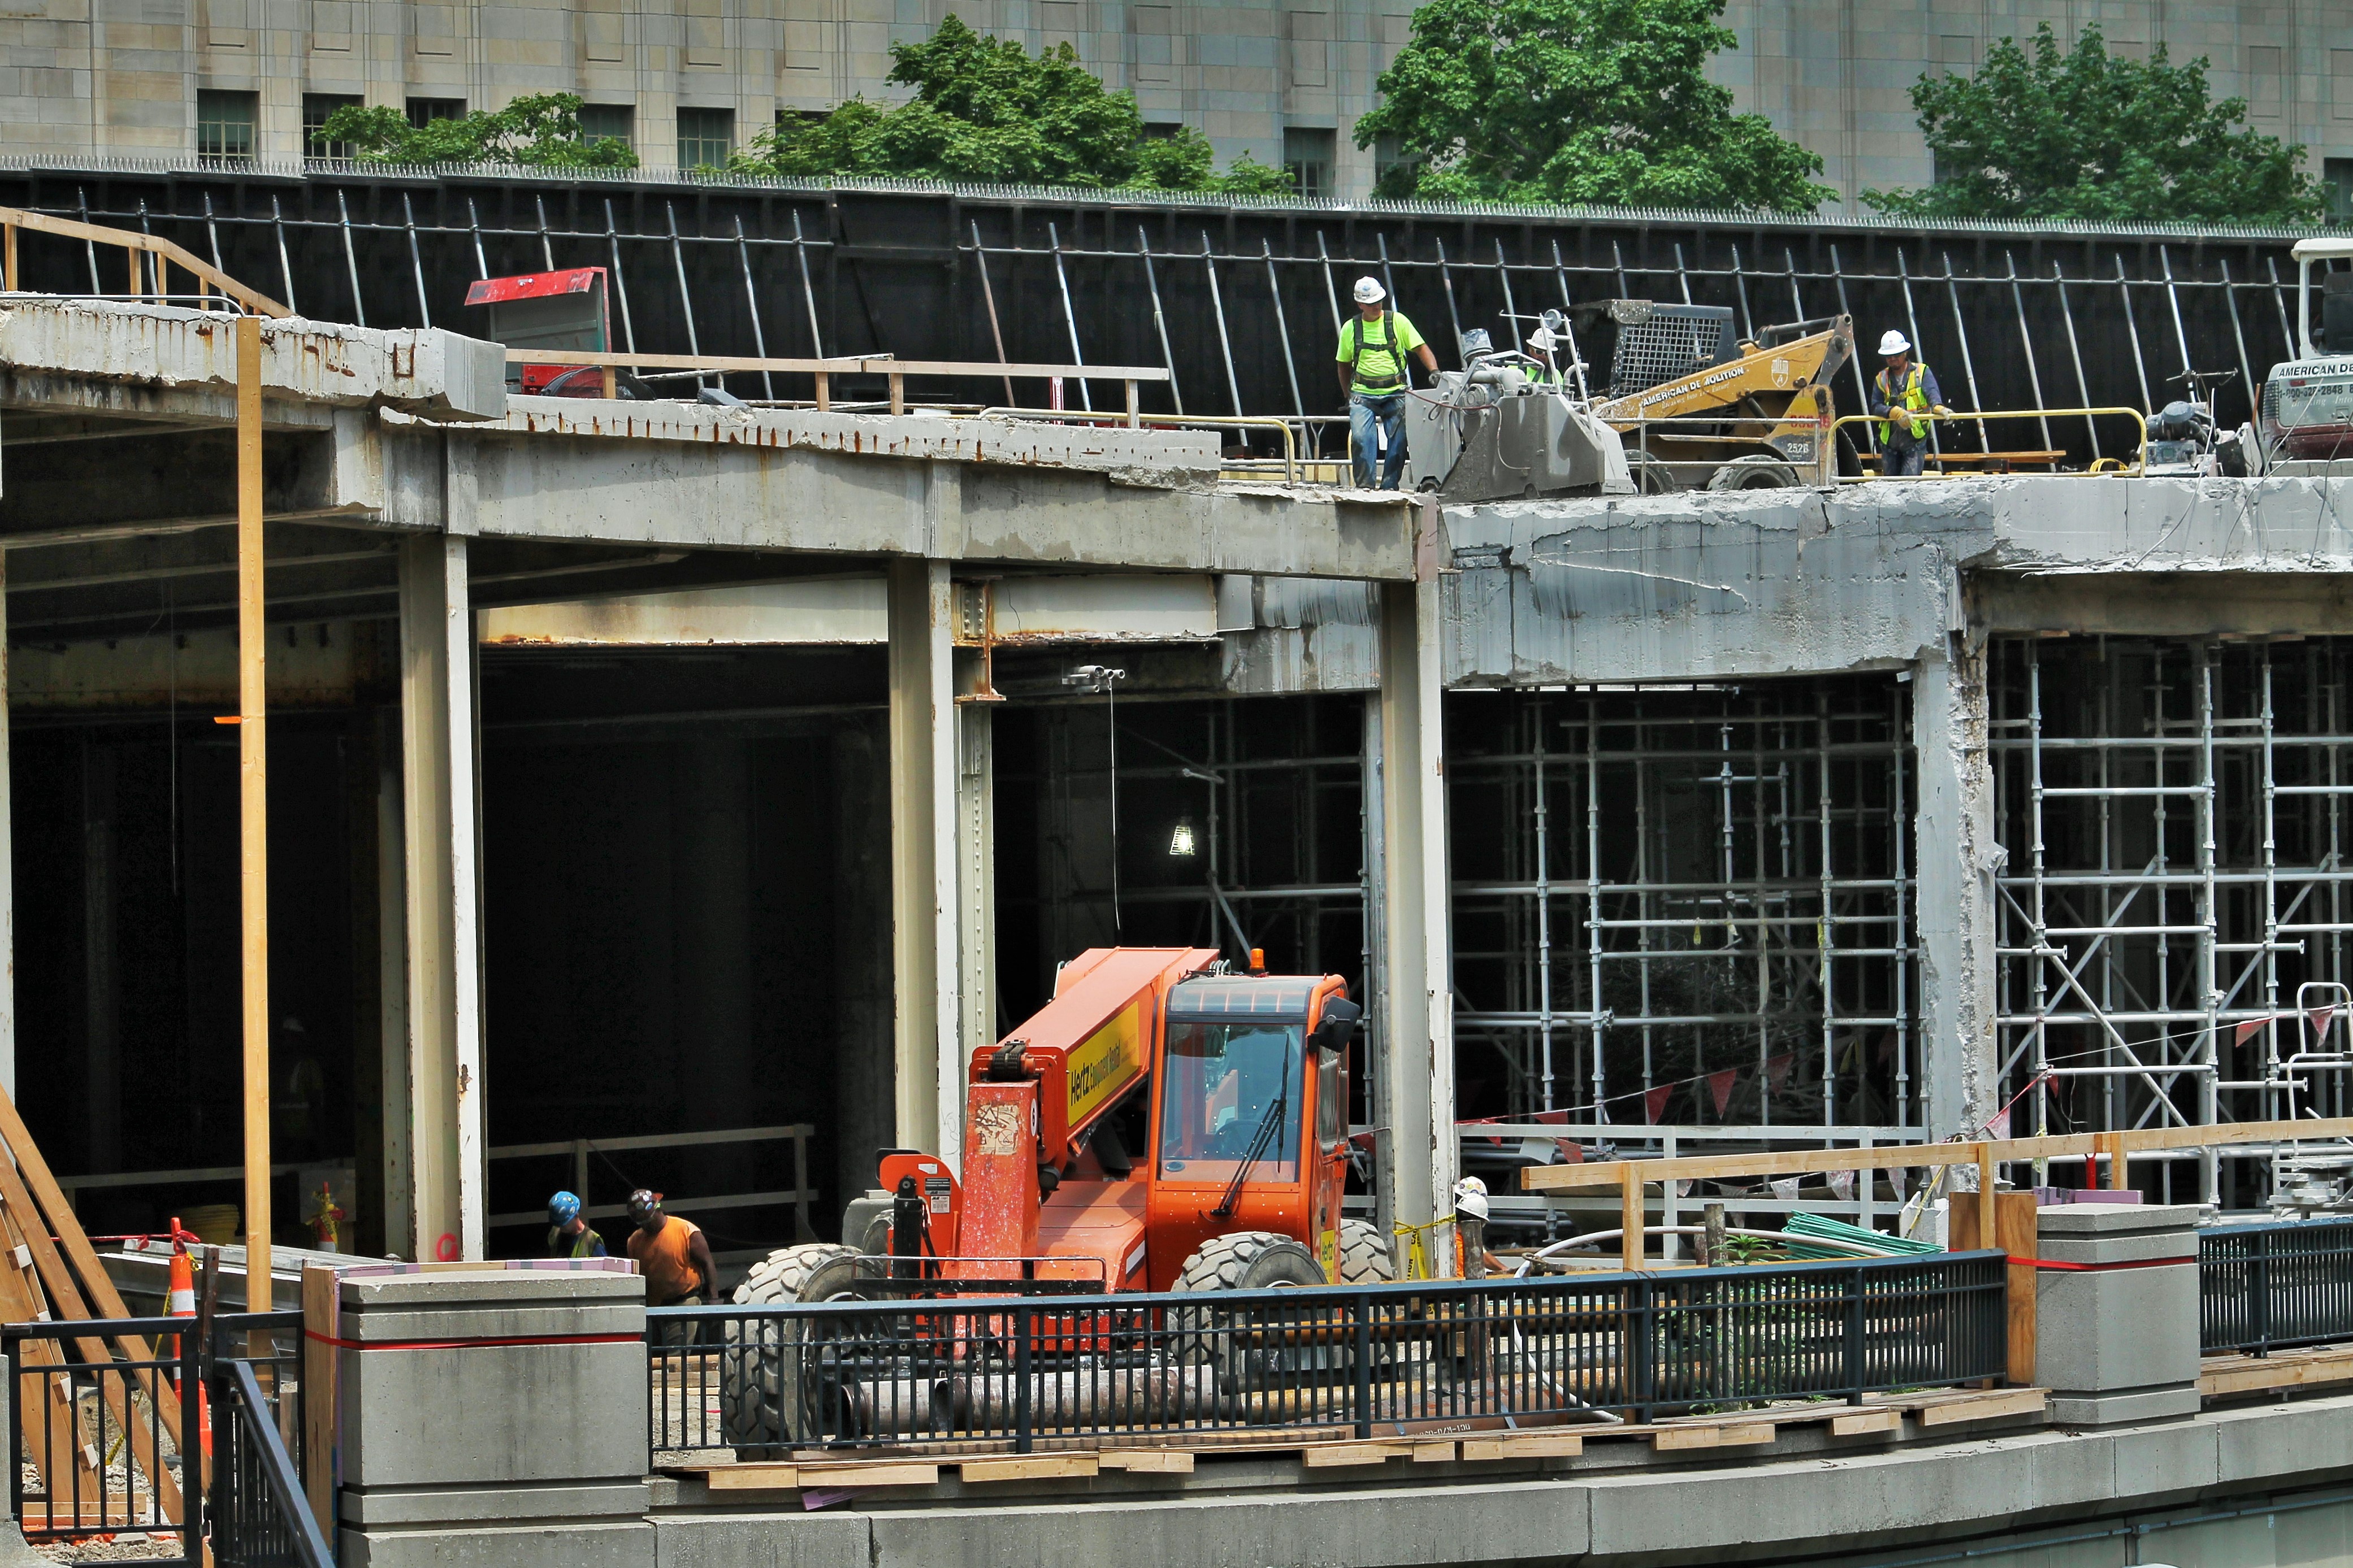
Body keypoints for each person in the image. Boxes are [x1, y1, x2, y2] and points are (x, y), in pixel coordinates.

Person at [1336, 276, 1439, 490]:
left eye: (1379, 301)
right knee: (1362, 440)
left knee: (1400, 443)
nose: (1377, 306)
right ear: (1360, 304)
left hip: (1396, 393)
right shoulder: (1350, 328)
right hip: (1363, 395)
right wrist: (1348, 395)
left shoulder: (1398, 322)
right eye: (1371, 303)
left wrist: (1435, 371)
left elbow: (1421, 348)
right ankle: (1365, 487)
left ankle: (1390, 487)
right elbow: (1343, 364)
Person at [626, 1189, 716, 1347]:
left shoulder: (685, 1231)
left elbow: (707, 1263)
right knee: (654, 1357)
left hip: (684, 1304)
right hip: (655, 1310)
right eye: (640, 1224)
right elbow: (636, 1276)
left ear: (657, 1211)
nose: (644, 1227)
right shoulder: (635, 1241)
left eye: (646, 1222)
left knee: (675, 1361)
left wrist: (714, 1299)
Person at [1869, 330, 1953, 478]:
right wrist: (1894, 412)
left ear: (1905, 353)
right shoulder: (1882, 378)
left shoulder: (1922, 372)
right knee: (1890, 489)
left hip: (1914, 442)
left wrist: (1939, 407)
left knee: (1909, 487)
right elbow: (1876, 406)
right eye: (1889, 356)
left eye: (1897, 355)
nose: (1893, 359)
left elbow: (1932, 393)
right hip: (1890, 444)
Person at [545, 1190, 607, 1261]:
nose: (561, 1228)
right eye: (559, 1224)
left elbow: (601, 1268)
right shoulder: (555, 1233)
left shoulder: (592, 1241)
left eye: (564, 1224)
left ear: (576, 1216)